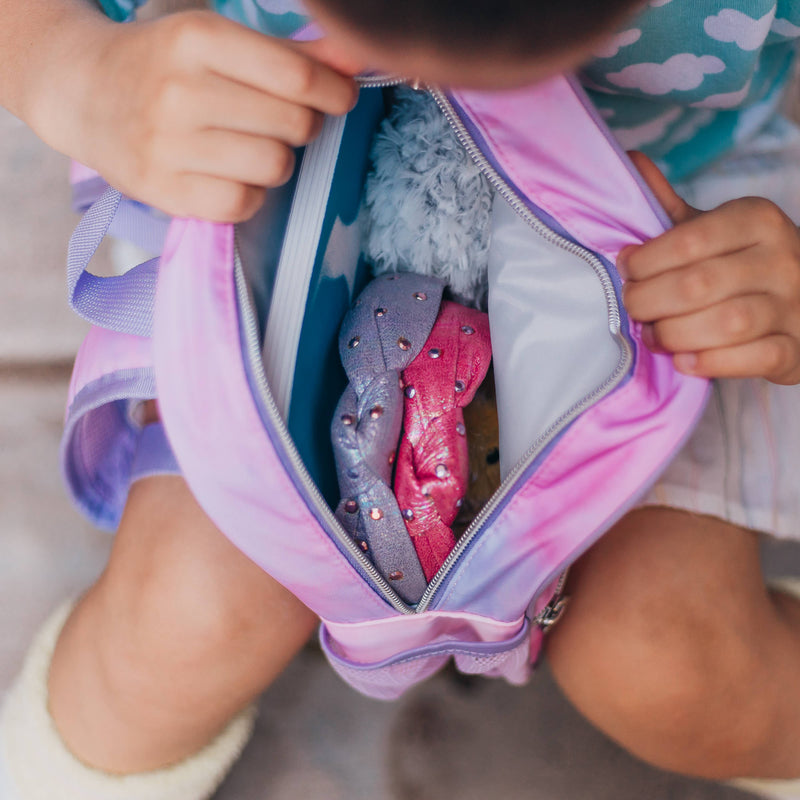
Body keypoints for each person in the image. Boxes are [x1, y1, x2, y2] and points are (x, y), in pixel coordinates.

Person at [1, 0, 800, 798]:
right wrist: (75, 72)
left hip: (672, 215)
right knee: (180, 625)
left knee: (669, 665)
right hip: (241, 175)